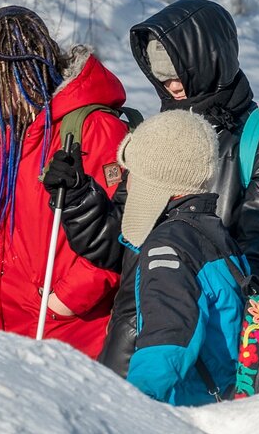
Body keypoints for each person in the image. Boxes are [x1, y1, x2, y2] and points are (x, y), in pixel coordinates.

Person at [44, 0, 259, 372]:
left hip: (221, 343)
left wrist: (208, 299)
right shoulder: (159, 137)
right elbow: (120, 244)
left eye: (176, 70)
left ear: (207, 60)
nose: (170, 84)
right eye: (159, 72)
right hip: (139, 334)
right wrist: (78, 197)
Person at [0, 6, 127, 358]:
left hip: (65, 341)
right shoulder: (1, 141)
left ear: (19, 70)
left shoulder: (93, 129)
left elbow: (121, 232)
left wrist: (64, 300)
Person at [105, 110, 248, 405]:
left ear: (156, 179)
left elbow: (167, 337)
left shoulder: (167, 247)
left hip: (192, 408)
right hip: (226, 395)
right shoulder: (211, 231)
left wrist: (136, 402)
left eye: (132, 171)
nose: (126, 181)